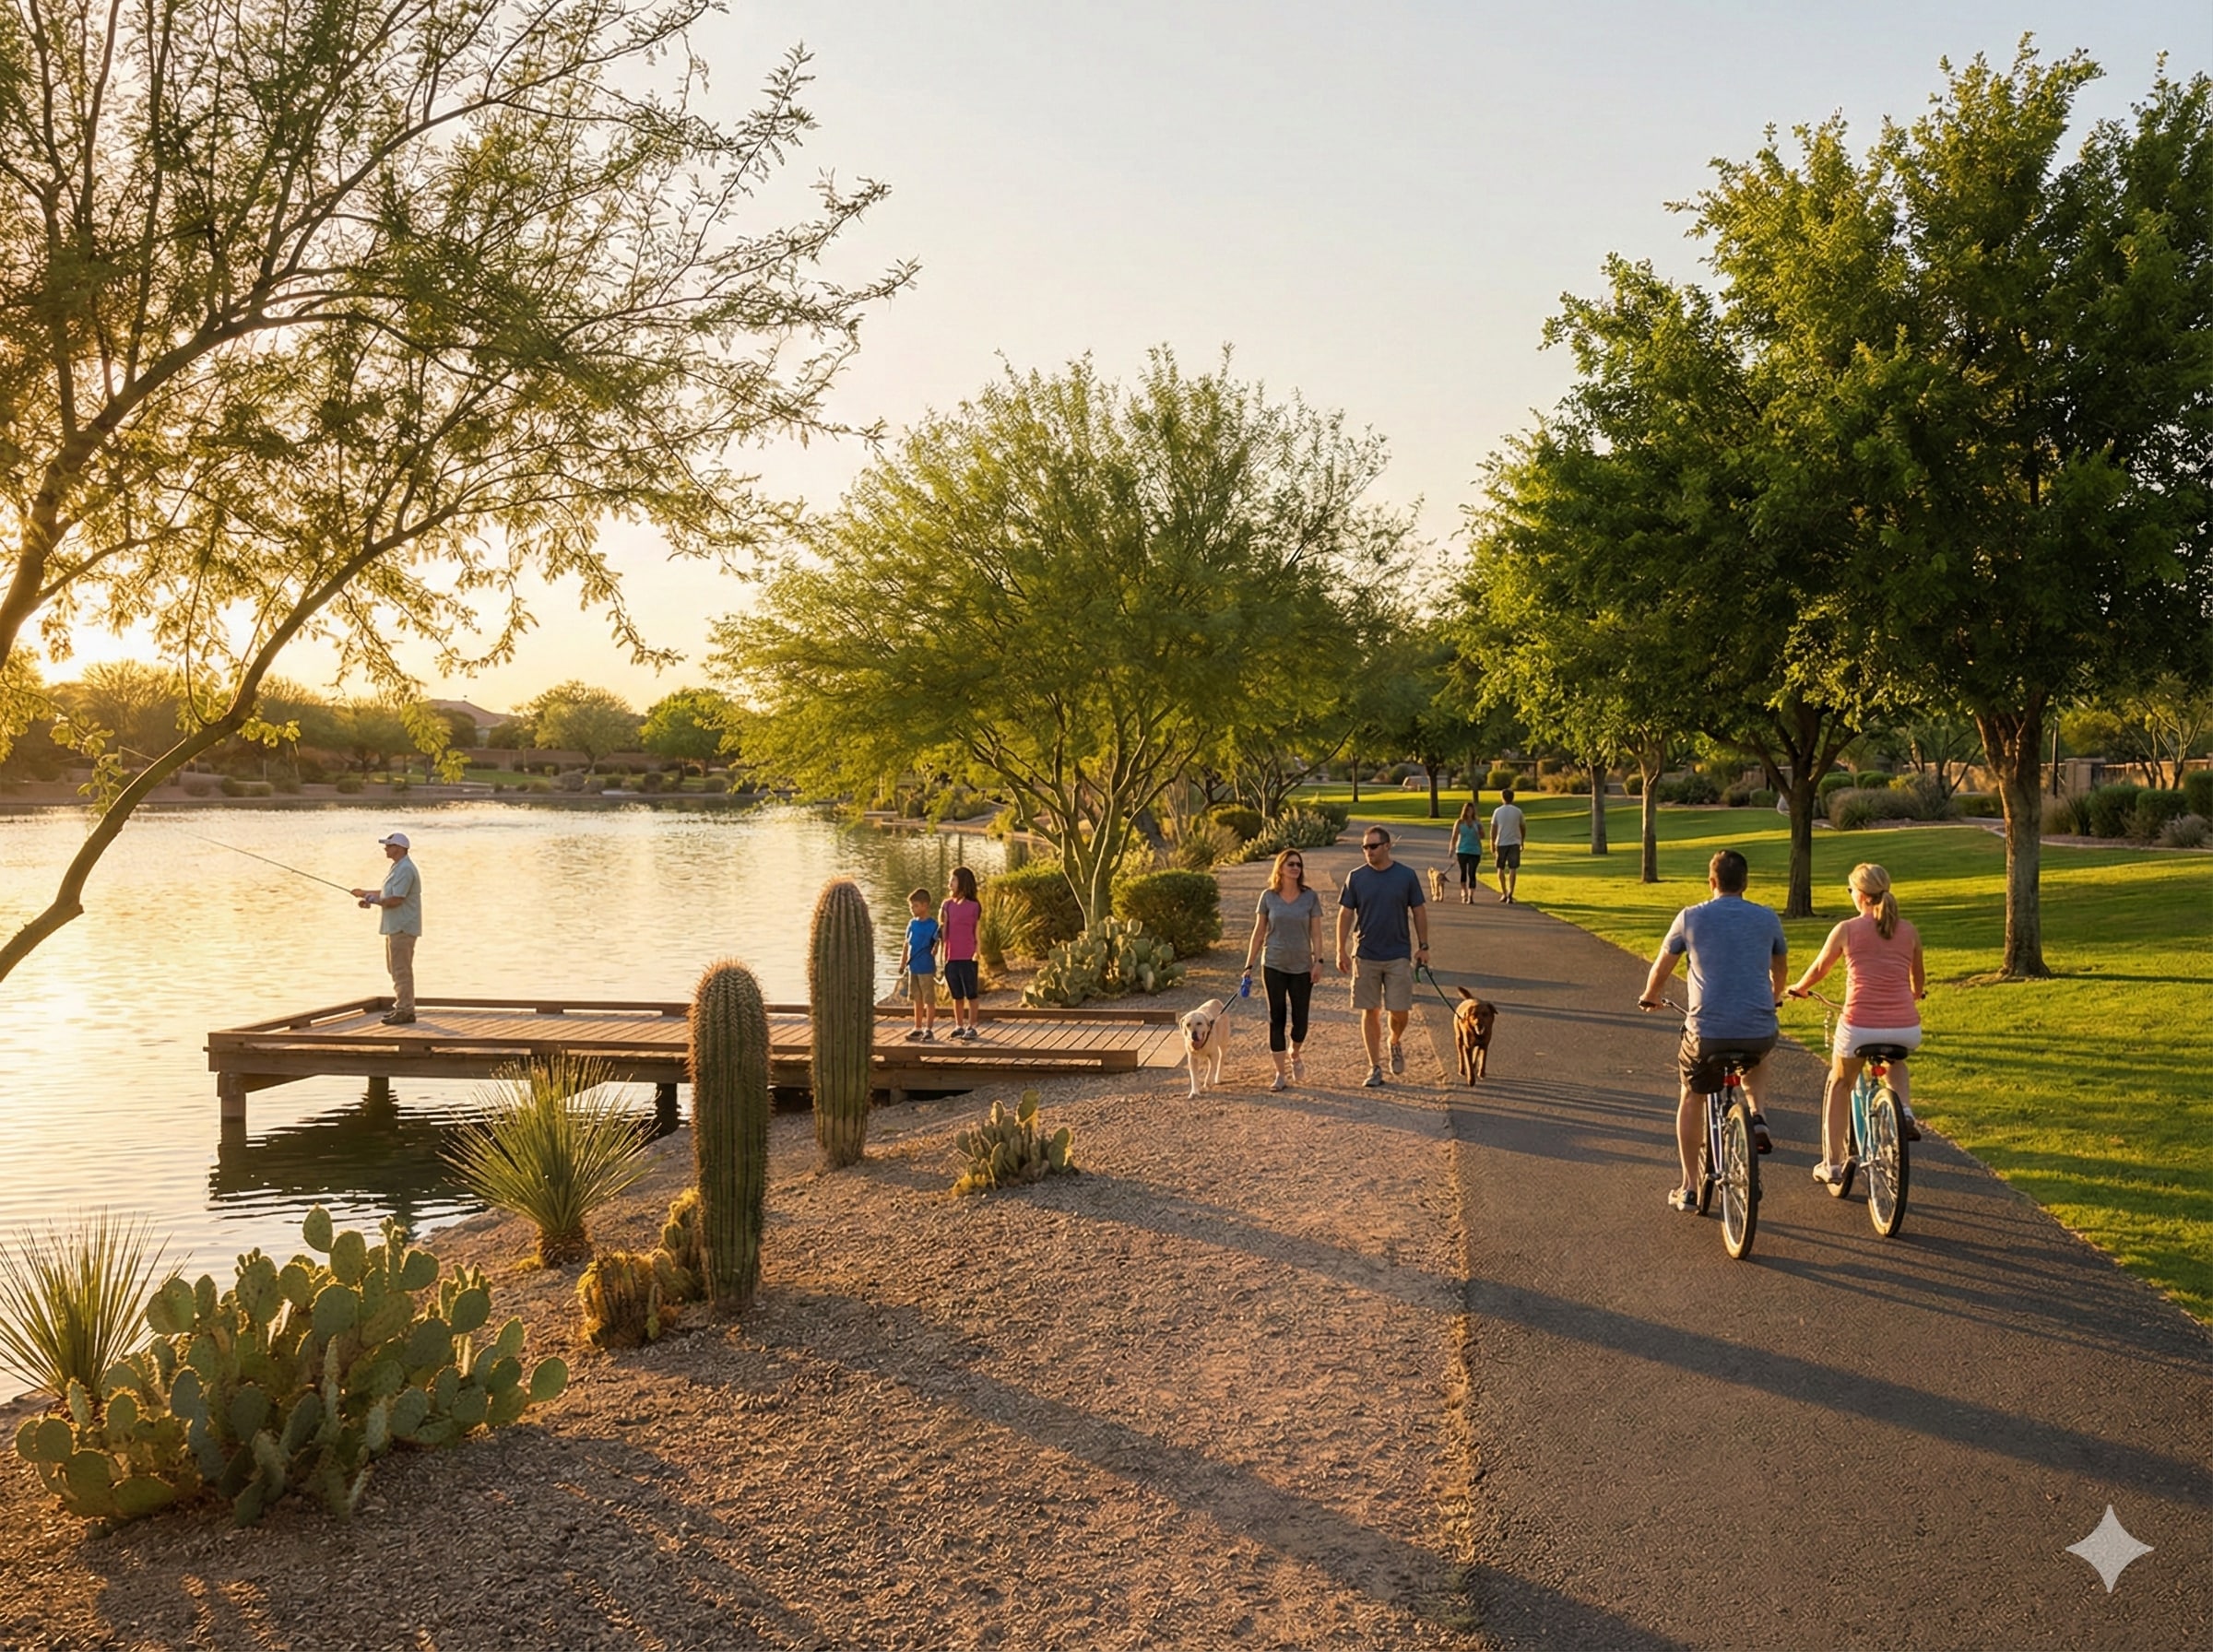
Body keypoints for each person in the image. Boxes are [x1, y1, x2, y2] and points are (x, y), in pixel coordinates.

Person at [1638, 849, 1786, 1211]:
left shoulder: (1690, 918)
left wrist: (1650, 996)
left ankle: (1689, 1185)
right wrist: (1774, 997)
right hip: (1757, 1026)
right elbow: (1780, 968)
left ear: (1711, 882)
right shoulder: (1767, 919)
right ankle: (1757, 1113)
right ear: (1746, 883)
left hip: (1707, 1032)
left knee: (1692, 1093)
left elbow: (1661, 969)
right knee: (1759, 1051)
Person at [1788, 862, 1927, 1182]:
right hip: (1906, 1027)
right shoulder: (1908, 930)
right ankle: (1904, 1111)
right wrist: (1916, 994)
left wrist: (1800, 988)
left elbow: (1820, 967)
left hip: (1860, 1024)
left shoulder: (1847, 929)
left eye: (1851, 890)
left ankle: (1832, 1163)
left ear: (1861, 895)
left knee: (1840, 1082)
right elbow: (1917, 978)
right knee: (1895, 1060)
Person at [1335, 825, 1429, 1088]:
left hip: (1398, 953)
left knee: (1399, 1011)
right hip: (1365, 953)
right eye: (1364, 847)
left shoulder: (1406, 876)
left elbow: (1419, 911)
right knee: (1370, 1010)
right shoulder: (1356, 877)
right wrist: (1340, 949)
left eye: (1373, 846)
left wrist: (1424, 946)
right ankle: (1374, 1066)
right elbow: (1345, 914)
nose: (1368, 851)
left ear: (1387, 846)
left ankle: (1395, 1040)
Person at [1241, 848, 1327, 1092]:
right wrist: (1248, 965)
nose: (1295, 868)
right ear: (1280, 868)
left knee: (1301, 1020)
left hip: (1302, 966)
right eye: (1290, 864)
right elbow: (1258, 933)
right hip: (1274, 964)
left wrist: (1319, 961)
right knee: (1275, 1018)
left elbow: (1317, 934)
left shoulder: (1310, 897)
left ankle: (1295, 1052)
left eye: (1298, 864)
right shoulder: (1268, 897)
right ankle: (1280, 1074)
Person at [350, 832, 421, 1026]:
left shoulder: (406, 869)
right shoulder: (397, 868)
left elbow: (396, 900)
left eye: (389, 846)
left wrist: (374, 900)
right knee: (395, 969)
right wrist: (365, 894)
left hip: (403, 927)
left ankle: (406, 1011)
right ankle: (402, 1007)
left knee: (401, 971)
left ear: (398, 848)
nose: (385, 849)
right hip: (394, 927)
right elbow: (386, 894)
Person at [940, 867, 984, 1042]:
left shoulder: (974, 906)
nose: (950, 883)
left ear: (963, 882)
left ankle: (972, 1026)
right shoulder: (947, 905)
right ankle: (959, 1025)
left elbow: (977, 931)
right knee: (956, 994)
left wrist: (978, 952)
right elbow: (944, 930)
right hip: (951, 956)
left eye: (954, 880)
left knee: (971, 993)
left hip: (968, 955)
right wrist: (939, 949)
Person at [898, 887, 941, 1041]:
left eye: (915, 906)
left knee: (928, 999)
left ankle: (928, 1028)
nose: (912, 909)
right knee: (917, 999)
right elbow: (906, 944)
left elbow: (937, 943)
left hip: (926, 968)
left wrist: (936, 948)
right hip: (913, 968)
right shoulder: (912, 924)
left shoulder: (932, 925)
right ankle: (917, 1027)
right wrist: (902, 963)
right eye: (911, 906)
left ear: (925, 905)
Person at [1488, 788, 1526, 903]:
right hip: (1514, 842)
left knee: (1500, 868)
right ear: (1513, 798)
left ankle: (1504, 892)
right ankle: (1510, 893)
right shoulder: (1518, 811)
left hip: (1501, 843)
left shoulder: (1497, 811)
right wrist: (1522, 840)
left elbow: (1493, 829)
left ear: (1502, 798)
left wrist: (1492, 843)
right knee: (1513, 868)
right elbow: (1523, 827)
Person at [1451, 801, 1484, 903]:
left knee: (1472, 872)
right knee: (1463, 871)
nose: (1470, 812)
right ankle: (1464, 891)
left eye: (1471, 810)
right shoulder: (1459, 822)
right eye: (1468, 810)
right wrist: (1451, 848)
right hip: (1462, 850)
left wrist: (1478, 831)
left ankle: (1471, 895)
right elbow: (1454, 836)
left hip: (1475, 851)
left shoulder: (1477, 823)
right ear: (1465, 811)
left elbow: (1483, 836)